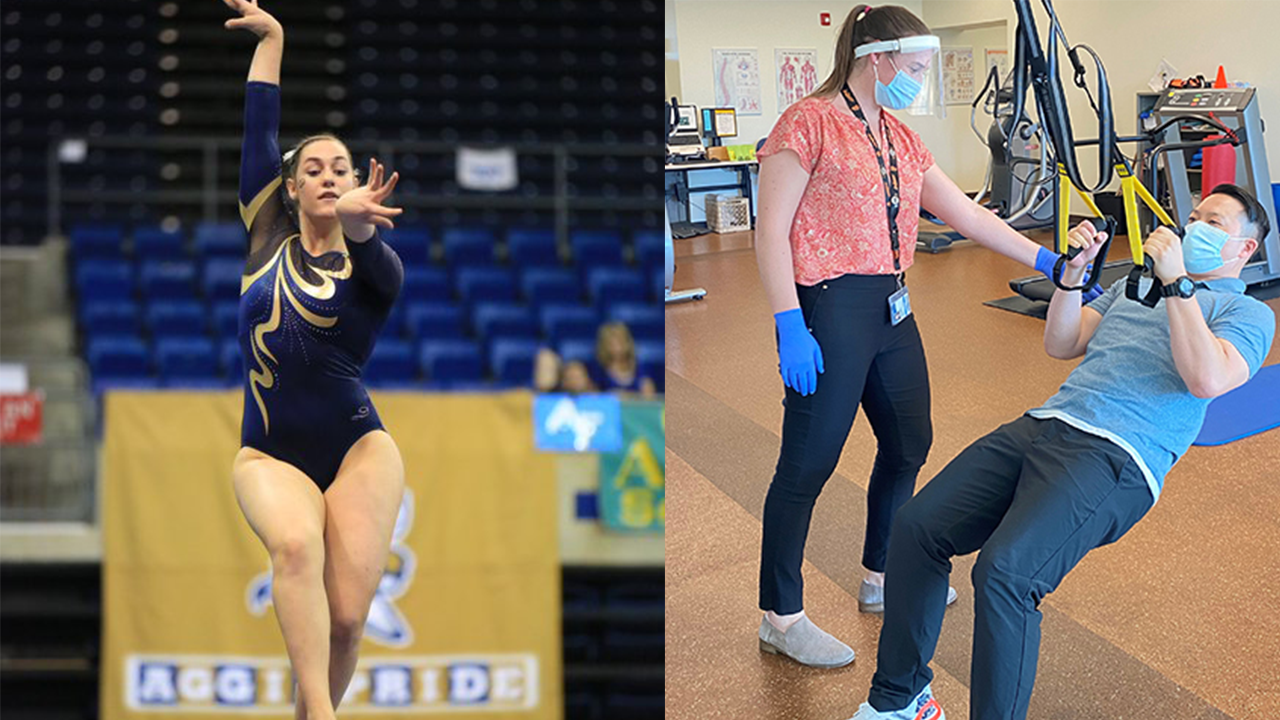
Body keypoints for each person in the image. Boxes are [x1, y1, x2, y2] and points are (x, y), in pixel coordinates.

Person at [754, 3, 1099, 669]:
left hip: (891, 304)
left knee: (910, 440)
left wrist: (1048, 262)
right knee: (808, 464)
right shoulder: (808, 123)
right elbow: (769, 231)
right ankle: (780, 614)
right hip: (827, 306)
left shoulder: (901, 138)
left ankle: (880, 577)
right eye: (911, 68)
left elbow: (967, 213)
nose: (917, 80)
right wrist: (788, 323)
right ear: (876, 58)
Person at [851, 184, 1275, 720]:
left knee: (1006, 575)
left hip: (1119, 455)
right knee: (915, 528)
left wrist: (1179, 285)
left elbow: (1206, 378)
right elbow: (1063, 343)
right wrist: (1073, 276)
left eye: (1213, 222)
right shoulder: (1133, 287)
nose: (1193, 227)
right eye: (1193, 216)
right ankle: (900, 701)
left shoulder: (1247, 314)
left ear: (1244, 250)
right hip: (1046, 424)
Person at [222, 2, 407, 718]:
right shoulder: (267, 233)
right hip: (268, 455)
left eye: (342, 167)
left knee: (347, 623)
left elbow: (377, 263)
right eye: (314, 168)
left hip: (360, 449)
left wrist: (359, 228)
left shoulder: (375, 268)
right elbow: (259, 128)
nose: (330, 175)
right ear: (290, 186)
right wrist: (274, 40)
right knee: (295, 547)